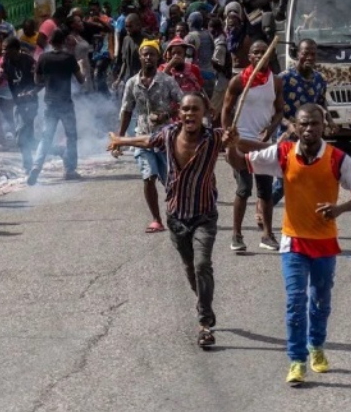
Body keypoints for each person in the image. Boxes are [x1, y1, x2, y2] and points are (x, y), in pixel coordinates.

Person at [228, 104, 351, 387]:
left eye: (315, 124)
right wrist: (231, 146)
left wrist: (340, 208)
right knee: (296, 302)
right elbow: (240, 162)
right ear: (294, 126)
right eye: (303, 124)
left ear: (324, 126)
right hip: (293, 241)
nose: (309, 129)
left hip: (324, 244)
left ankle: (316, 347)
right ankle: (296, 361)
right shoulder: (282, 153)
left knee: (320, 302)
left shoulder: (337, 159)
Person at [108, 94, 230, 349]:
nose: (189, 114)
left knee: (202, 264)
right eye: (185, 109)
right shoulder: (168, 134)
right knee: (189, 267)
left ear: (204, 113)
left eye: (195, 109)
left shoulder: (216, 138)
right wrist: (121, 139)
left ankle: (205, 324)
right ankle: (203, 302)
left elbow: (242, 147)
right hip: (176, 217)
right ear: (179, 113)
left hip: (205, 215)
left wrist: (241, 143)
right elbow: (146, 140)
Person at [222, 40, 284, 253]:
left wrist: (270, 129)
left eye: (263, 53)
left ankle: (267, 235)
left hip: (262, 144)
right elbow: (226, 109)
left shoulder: (275, 82)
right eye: (255, 53)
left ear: (269, 56)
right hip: (240, 142)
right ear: (250, 57)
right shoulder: (238, 81)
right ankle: (236, 235)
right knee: (244, 188)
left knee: (265, 191)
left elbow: (279, 111)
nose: (259, 56)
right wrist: (227, 134)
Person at [118, 40, 183, 233]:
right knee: (148, 177)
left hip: (165, 138)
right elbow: (127, 110)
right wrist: (119, 139)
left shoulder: (167, 81)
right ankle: (156, 219)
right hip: (142, 138)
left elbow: (182, 104)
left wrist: (167, 115)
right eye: (145, 54)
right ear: (140, 57)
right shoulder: (132, 83)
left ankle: (177, 214)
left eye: (152, 54)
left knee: (170, 181)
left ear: (159, 57)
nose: (148, 57)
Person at [30, 29, 85, 184]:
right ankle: (70, 170)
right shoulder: (69, 58)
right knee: (71, 136)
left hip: (49, 103)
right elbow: (81, 80)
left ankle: (36, 166)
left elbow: (37, 81)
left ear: (50, 42)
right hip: (65, 103)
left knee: (46, 137)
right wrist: (83, 68)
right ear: (64, 42)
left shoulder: (42, 58)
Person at [0, 36, 41, 177]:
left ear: (16, 50)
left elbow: (41, 82)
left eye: (7, 50)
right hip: (18, 104)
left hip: (30, 104)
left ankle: (28, 166)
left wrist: (31, 92)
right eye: (3, 50)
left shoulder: (29, 61)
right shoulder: (6, 62)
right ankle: (58, 150)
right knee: (28, 139)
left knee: (21, 137)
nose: (3, 52)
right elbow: (0, 79)